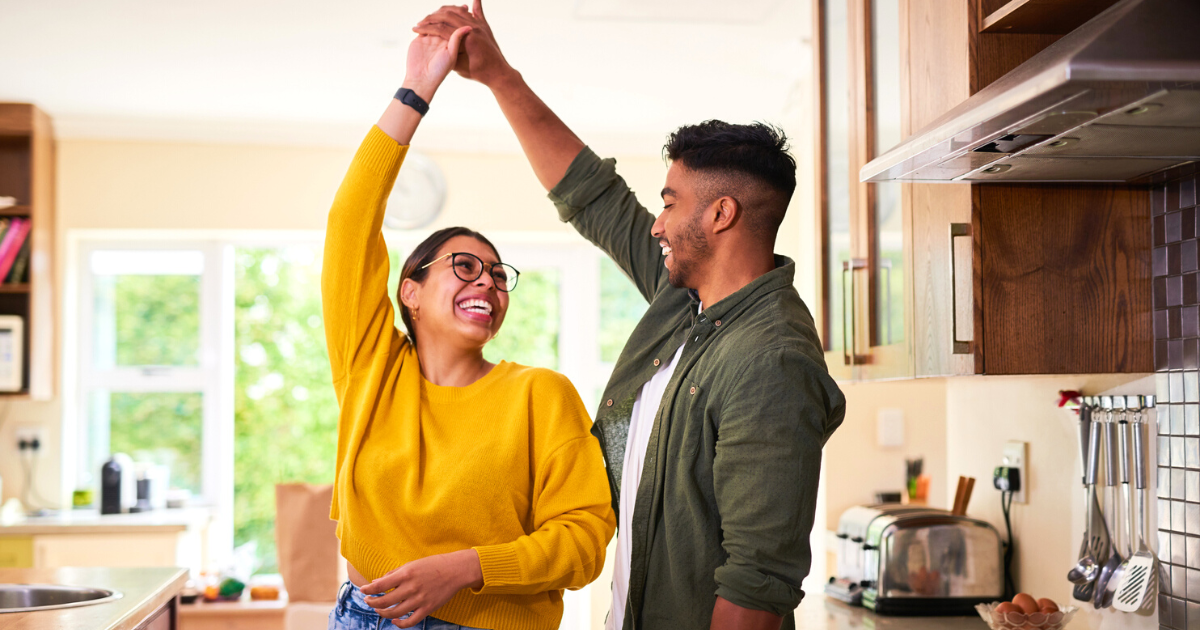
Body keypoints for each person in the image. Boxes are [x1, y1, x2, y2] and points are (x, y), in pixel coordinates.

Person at [413, 5, 847, 630]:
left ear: (720, 215)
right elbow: (594, 198)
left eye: (671, 203)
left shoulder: (769, 358)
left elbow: (757, 584)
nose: (657, 223)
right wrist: (500, 77)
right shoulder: (688, 304)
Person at [322, 27, 616, 630]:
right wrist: (416, 87)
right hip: (366, 618)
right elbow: (349, 223)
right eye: (464, 267)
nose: (487, 282)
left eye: (497, 275)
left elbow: (585, 538)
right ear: (411, 291)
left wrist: (467, 568)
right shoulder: (371, 368)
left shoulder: (540, 394)